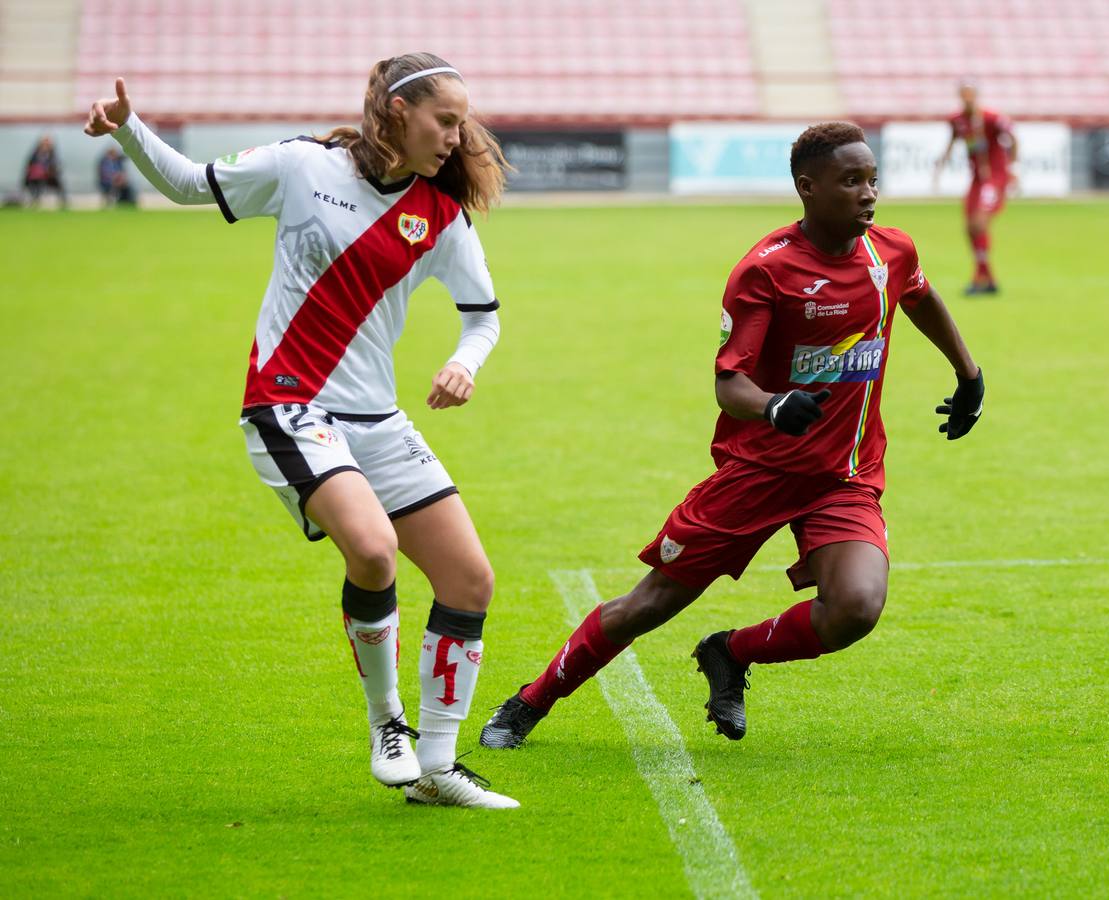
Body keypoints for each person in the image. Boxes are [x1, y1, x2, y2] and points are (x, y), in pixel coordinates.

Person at [83, 53, 520, 808]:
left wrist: (465, 363)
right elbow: (190, 184)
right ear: (396, 110)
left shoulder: (441, 214)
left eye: (461, 123)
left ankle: (439, 770)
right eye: (444, 120)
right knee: (374, 551)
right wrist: (130, 132)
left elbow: (482, 316)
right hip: (289, 405)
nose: (458, 136)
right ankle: (389, 726)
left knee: (469, 579)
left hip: (377, 419)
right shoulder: (299, 166)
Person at [481, 122, 984, 749]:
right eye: (851, 181)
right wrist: (775, 407)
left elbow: (921, 296)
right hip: (760, 472)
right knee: (649, 604)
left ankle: (729, 652)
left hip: (844, 474)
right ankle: (530, 702)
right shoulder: (764, 270)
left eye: (872, 179)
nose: (868, 193)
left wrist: (968, 374)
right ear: (808, 188)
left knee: (855, 607)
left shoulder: (892, 251)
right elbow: (730, 384)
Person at [934, 81, 1016, 295]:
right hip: (977, 181)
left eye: (971, 95)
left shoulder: (991, 118)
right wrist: (942, 162)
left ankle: (979, 278)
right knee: (969, 228)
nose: (967, 99)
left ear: (976, 96)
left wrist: (1012, 167)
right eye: (964, 95)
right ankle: (987, 278)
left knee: (979, 223)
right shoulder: (957, 120)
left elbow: (1013, 138)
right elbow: (953, 139)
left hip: (995, 179)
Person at [23, 134, 68, 209]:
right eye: (45, 141)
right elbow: (29, 165)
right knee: (36, 187)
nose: (46, 144)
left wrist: (52, 170)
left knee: (60, 185)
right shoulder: (35, 153)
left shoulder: (52, 153)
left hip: (49, 177)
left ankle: (63, 203)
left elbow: (57, 165)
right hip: (36, 178)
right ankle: (34, 202)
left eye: (48, 142)